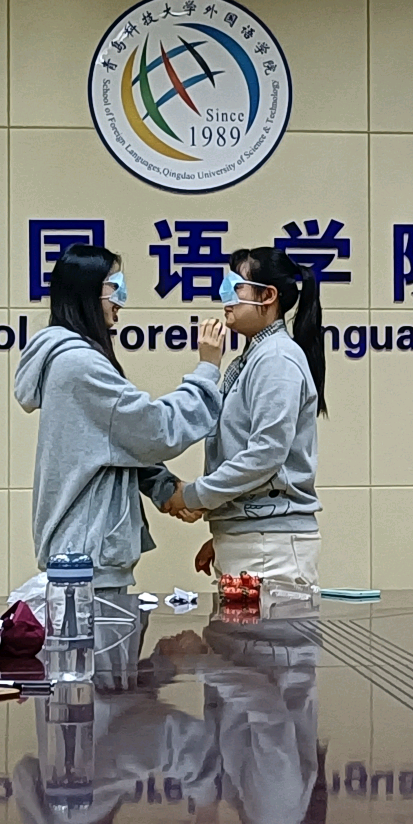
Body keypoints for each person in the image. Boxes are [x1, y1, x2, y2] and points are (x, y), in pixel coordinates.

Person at [13, 245, 227, 592]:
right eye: (114, 286)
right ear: (88, 290)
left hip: (84, 554)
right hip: (87, 561)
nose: (120, 299)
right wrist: (206, 370)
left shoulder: (72, 359)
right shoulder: (80, 365)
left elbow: (118, 442)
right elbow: (156, 429)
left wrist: (165, 487)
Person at [162, 246, 327, 589]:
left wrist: (194, 495)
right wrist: (226, 534)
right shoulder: (254, 358)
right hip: (255, 539)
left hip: (270, 545)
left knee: (262, 627)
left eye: (235, 287)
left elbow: (265, 454)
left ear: (268, 296)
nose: (225, 298)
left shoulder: (277, 358)